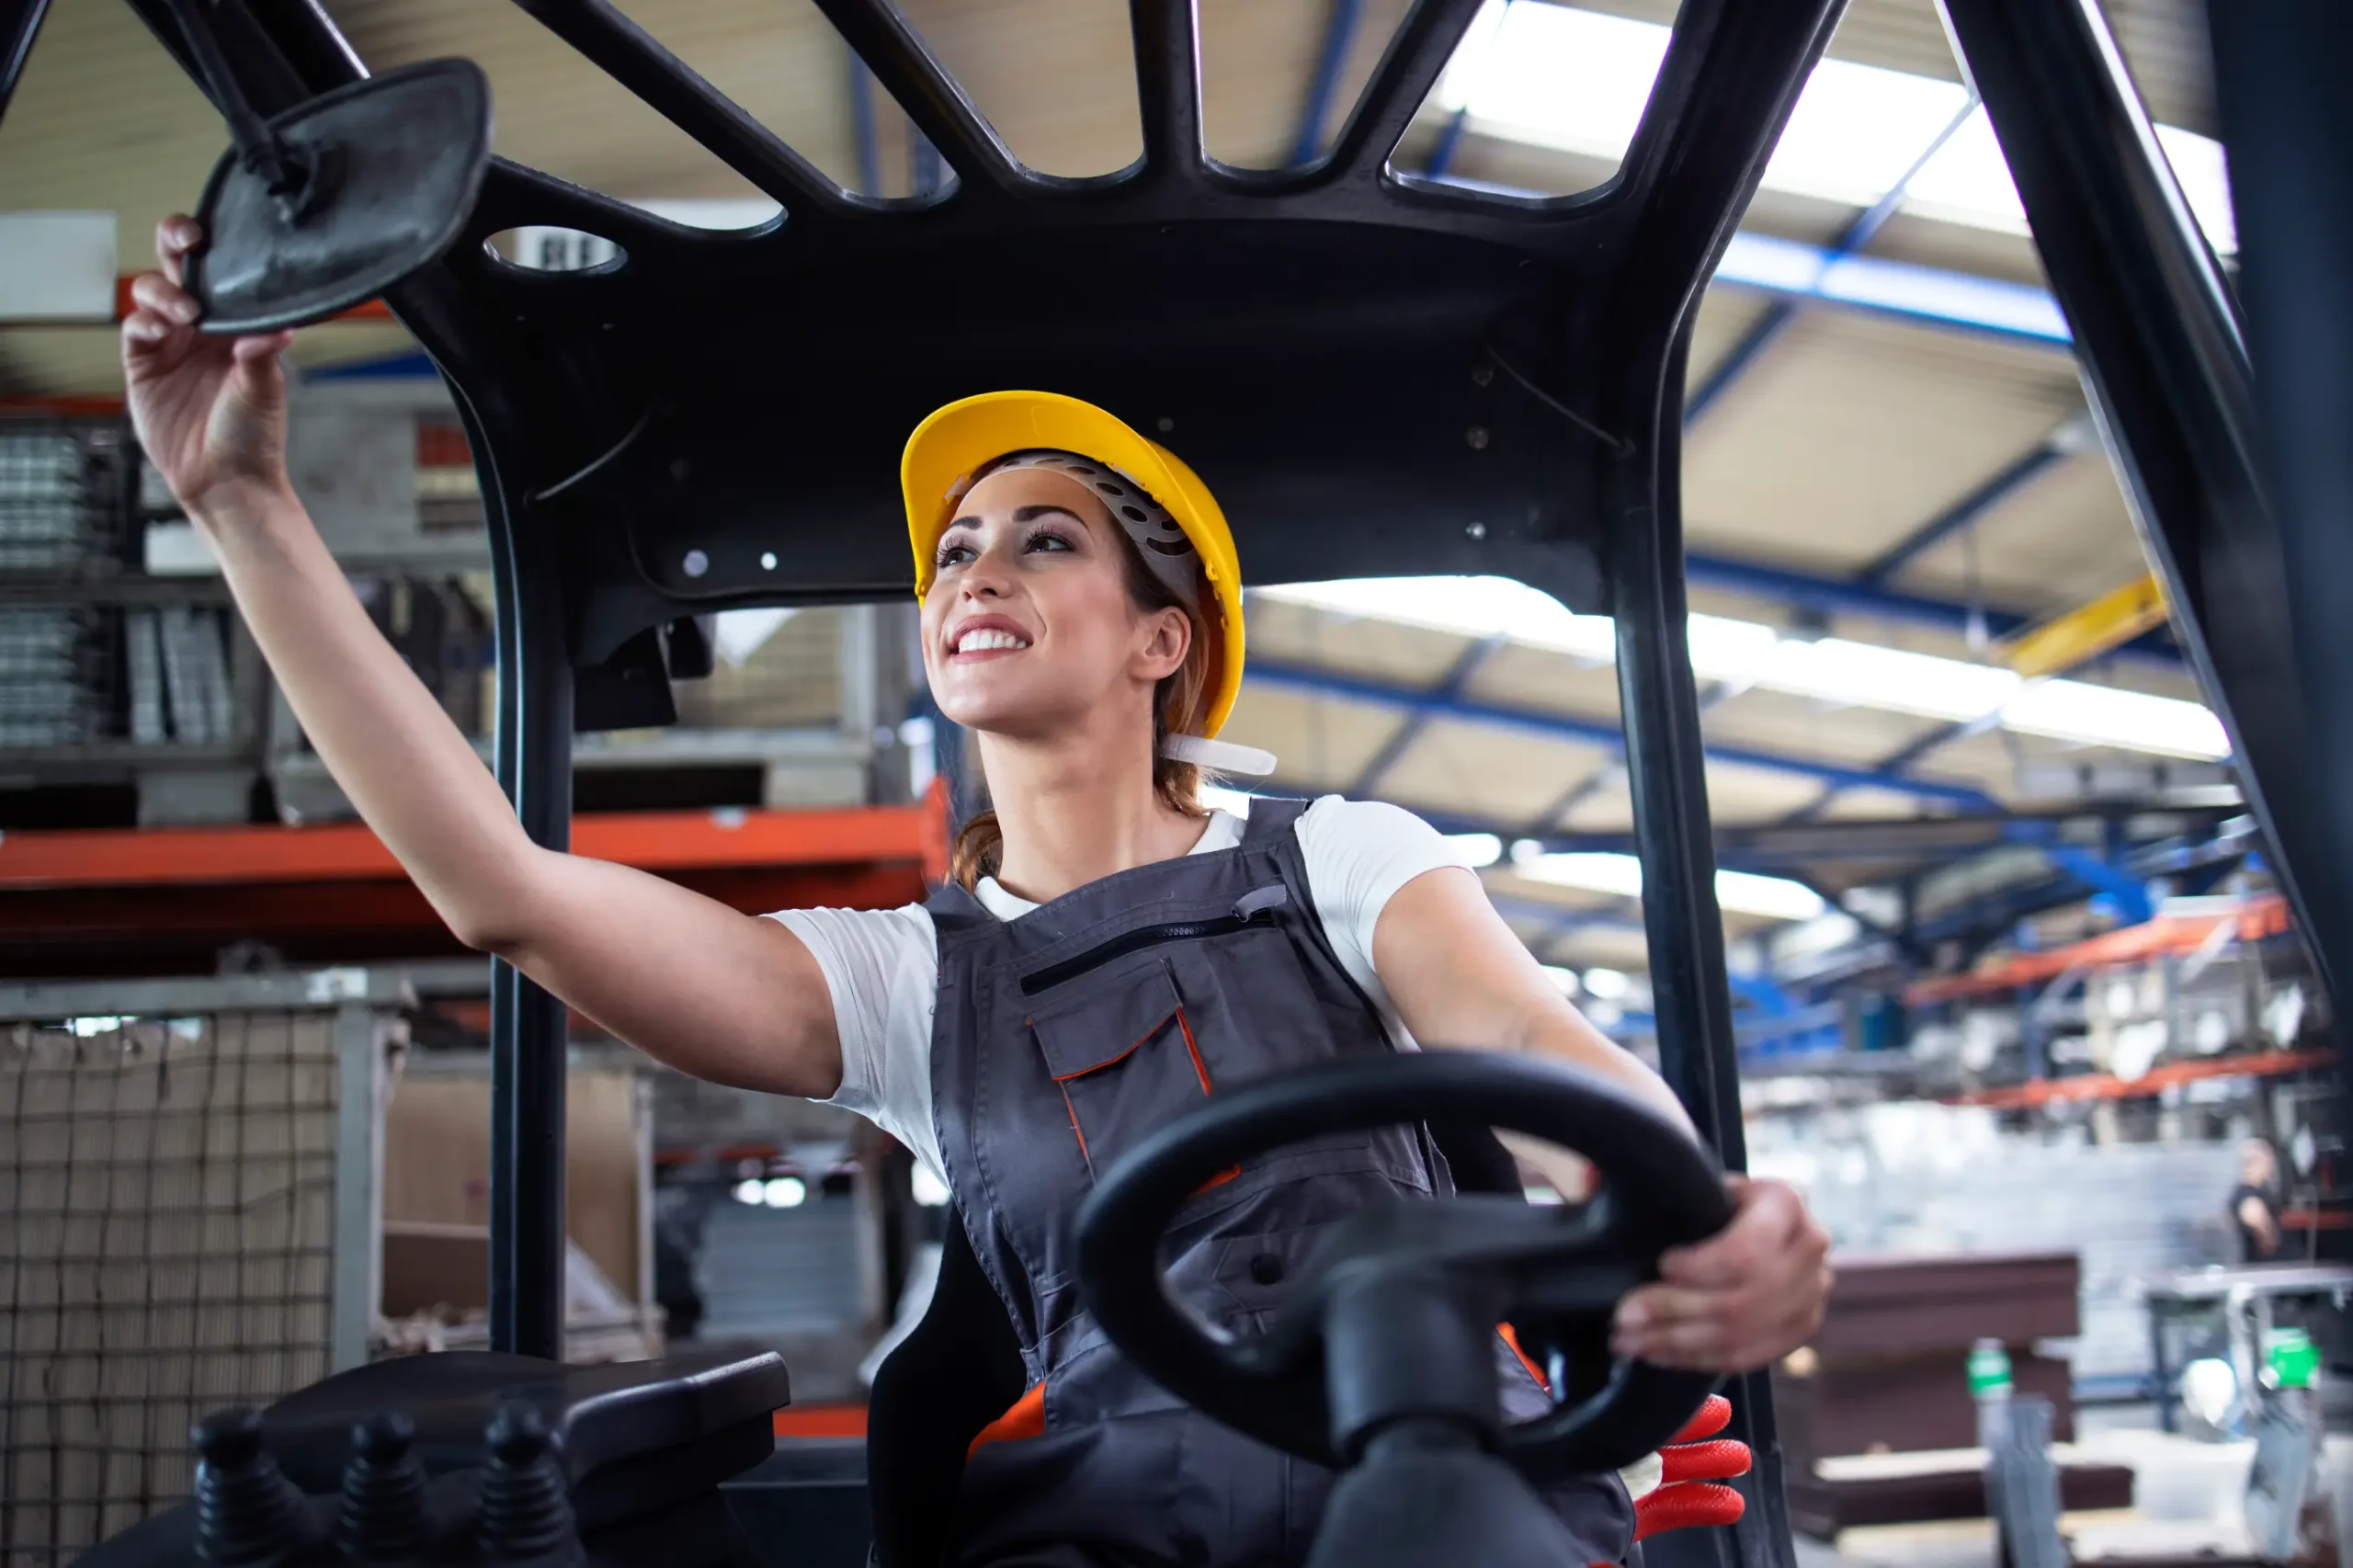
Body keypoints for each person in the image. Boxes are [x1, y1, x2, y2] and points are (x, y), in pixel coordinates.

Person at [125, 214, 1832, 1567]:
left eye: (1045, 538)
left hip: (1434, 1456)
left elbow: (1529, 1046)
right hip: (1110, 1516)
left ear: (1165, 641)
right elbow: (502, 890)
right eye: (953, 552)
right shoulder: (903, 987)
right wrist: (243, 503)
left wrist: (1695, 1206)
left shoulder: (1334, 856)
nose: (975, 571)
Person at [2233, 1137, 2288, 1265]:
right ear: (2256, 1163)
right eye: (2269, 1160)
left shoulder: (2249, 1192)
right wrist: (2271, 1239)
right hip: (2262, 1271)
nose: (2272, 1166)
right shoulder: (2248, 1195)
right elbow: (2253, 1215)